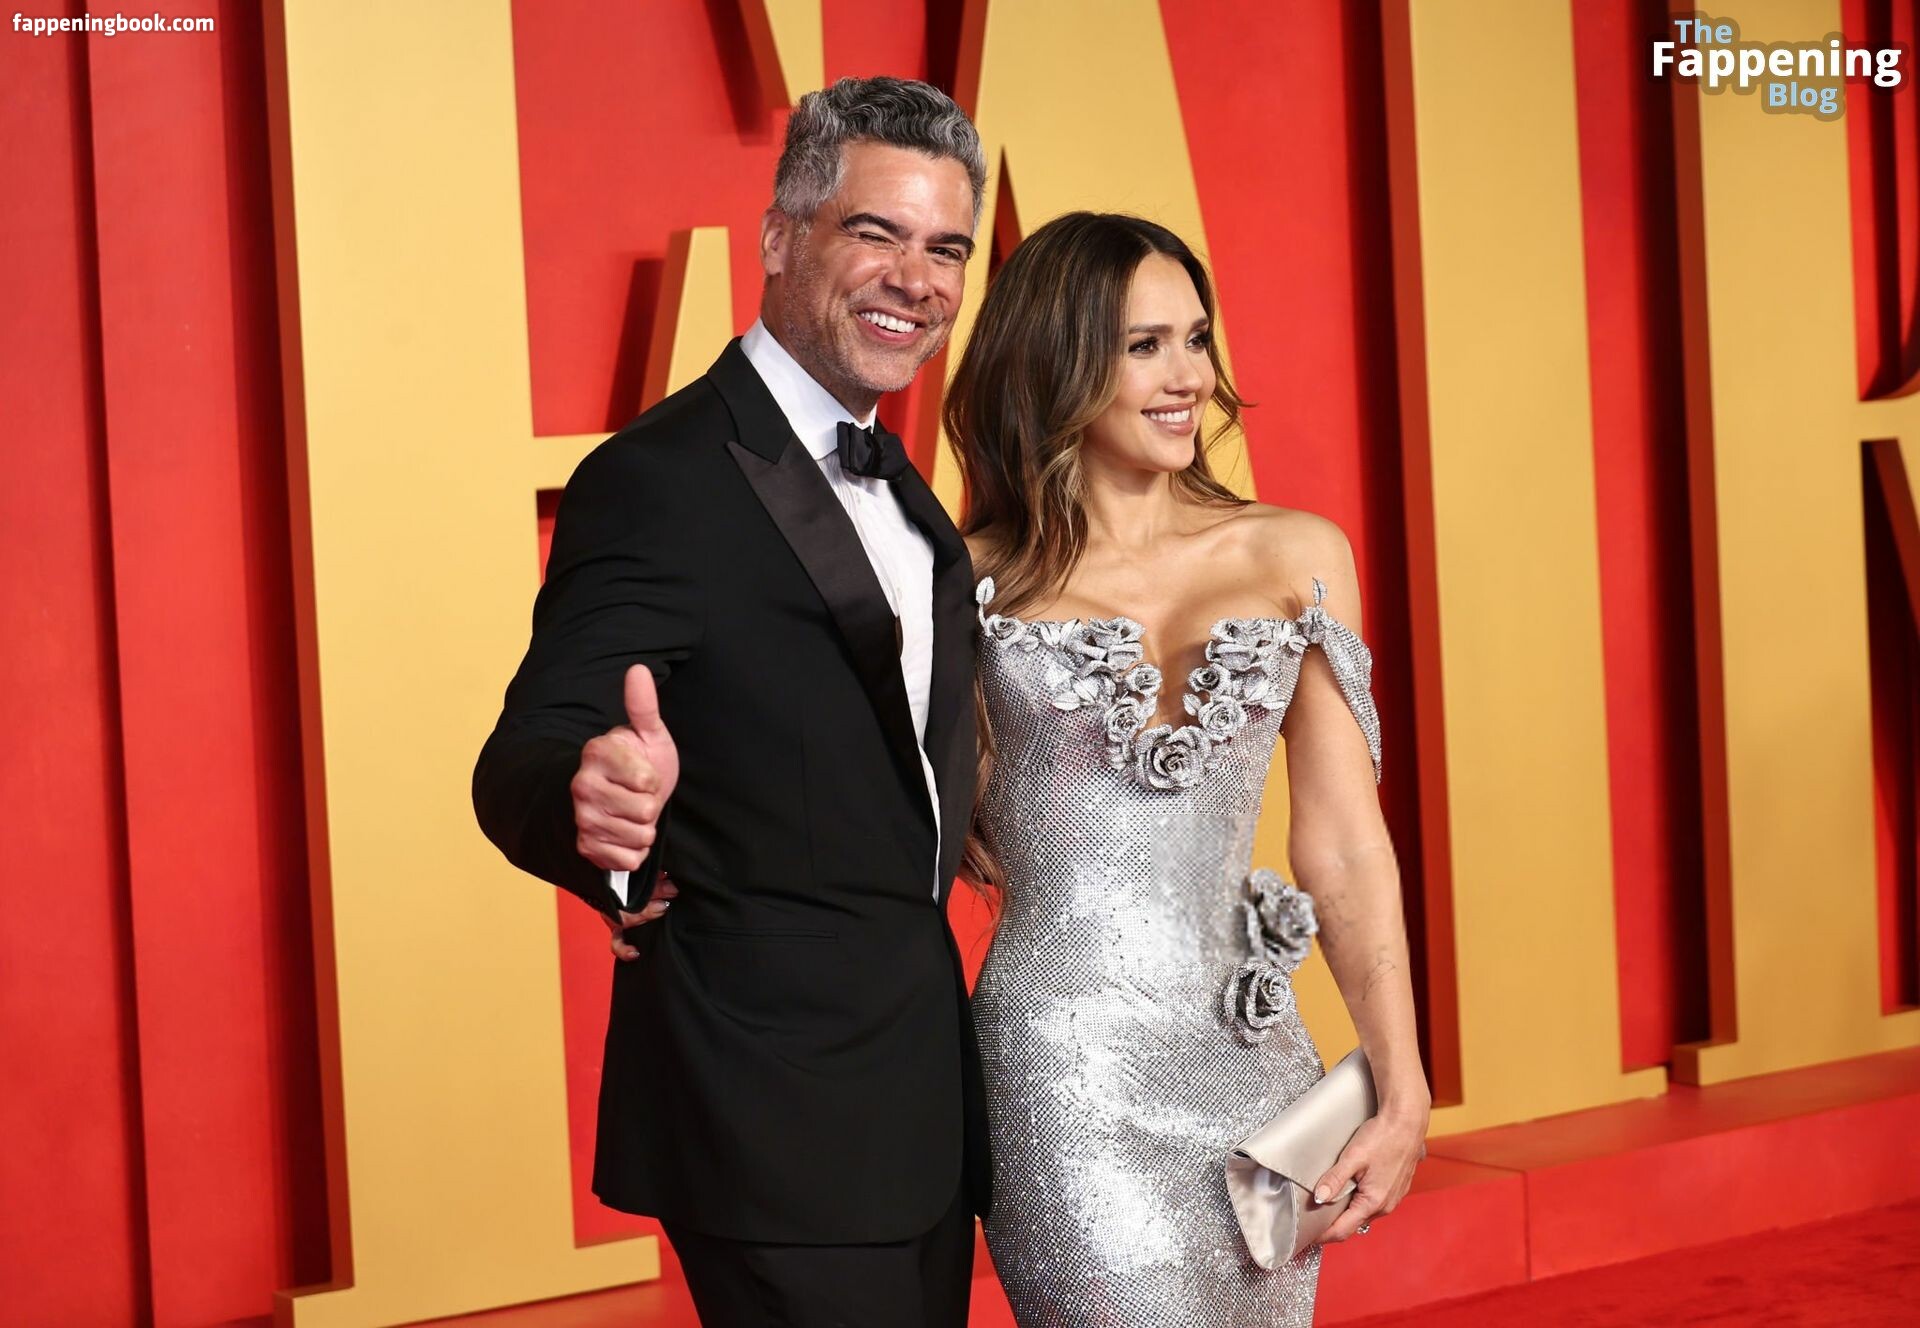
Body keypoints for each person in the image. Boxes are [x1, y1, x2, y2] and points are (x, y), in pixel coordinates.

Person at [470, 76, 989, 1328]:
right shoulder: (658, 477)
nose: (916, 278)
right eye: (876, 232)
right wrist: (594, 811)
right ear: (779, 237)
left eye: (946, 249)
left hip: (916, 1103)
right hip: (766, 1104)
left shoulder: (911, 494)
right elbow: (528, 747)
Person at [946, 211, 1431, 1326]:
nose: (1189, 379)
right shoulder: (964, 581)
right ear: (1059, 362)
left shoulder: (1296, 554)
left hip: (1256, 1062)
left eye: (1197, 339)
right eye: (1144, 346)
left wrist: (1398, 1076)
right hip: (1063, 1074)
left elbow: (1344, 842)